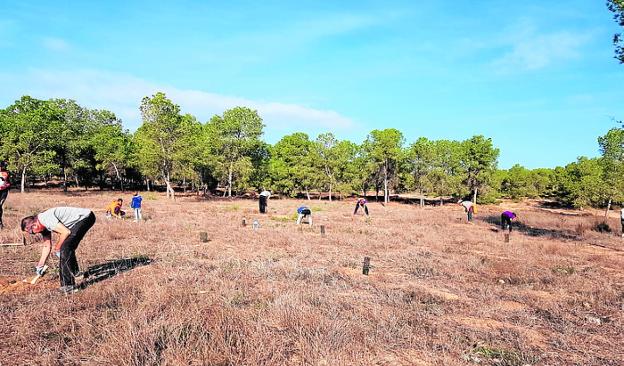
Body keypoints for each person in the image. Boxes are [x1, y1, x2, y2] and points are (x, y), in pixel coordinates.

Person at [21, 207, 96, 293]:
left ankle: (68, 285)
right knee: (66, 247)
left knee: (65, 247)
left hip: (86, 217)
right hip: (79, 220)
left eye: (32, 232)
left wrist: (57, 248)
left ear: (34, 225)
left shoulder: (45, 219)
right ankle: (76, 273)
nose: (34, 234)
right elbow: (46, 246)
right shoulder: (42, 225)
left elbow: (65, 232)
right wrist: (40, 265)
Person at [0, 161, 10, 230]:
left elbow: (7, 181)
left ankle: (0, 223)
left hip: (3, 191)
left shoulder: (6, 173)